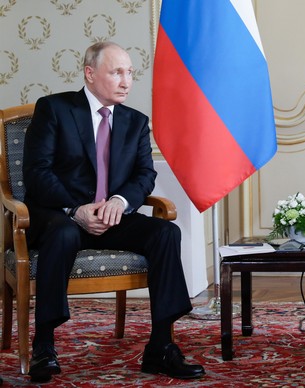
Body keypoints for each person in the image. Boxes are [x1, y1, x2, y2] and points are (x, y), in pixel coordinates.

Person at [23, 41, 205, 383]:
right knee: (62, 232)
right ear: (90, 74)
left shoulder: (136, 122)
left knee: (166, 232)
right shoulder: (55, 109)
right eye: (117, 72)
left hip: (112, 216)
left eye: (130, 73)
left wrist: (120, 202)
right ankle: (44, 346)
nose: (126, 81)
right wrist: (76, 209)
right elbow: (37, 173)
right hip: (61, 215)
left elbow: (144, 175)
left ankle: (161, 347)